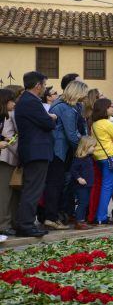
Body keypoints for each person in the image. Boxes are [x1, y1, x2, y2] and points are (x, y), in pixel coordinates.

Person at [14, 71, 57, 237]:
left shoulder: (27, 101)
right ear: (38, 85)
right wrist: (51, 117)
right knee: (33, 189)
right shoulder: (30, 101)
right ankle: (25, 225)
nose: (44, 88)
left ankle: (25, 223)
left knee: (32, 189)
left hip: (34, 150)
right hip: (36, 151)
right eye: (44, 85)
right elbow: (47, 123)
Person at [44, 80, 89, 229]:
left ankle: (52, 216)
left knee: (55, 185)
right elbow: (71, 134)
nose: (85, 96)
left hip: (56, 150)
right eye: (83, 93)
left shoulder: (60, 104)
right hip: (60, 151)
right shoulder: (67, 109)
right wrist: (83, 148)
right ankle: (51, 218)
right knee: (55, 185)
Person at [92, 98, 113, 225]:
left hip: (100, 157)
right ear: (104, 109)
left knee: (110, 186)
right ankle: (101, 216)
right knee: (107, 187)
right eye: (110, 106)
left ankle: (100, 214)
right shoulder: (106, 123)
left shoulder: (94, 124)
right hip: (111, 157)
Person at [0, 88, 20, 236]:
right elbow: (8, 137)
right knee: (5, 193)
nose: (14, 103)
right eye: (12, 100)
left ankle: (10, 221)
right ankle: (4, 223)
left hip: (9, 157)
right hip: (6, 157)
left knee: (11, 192)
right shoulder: (6, 116)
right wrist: (19, 153)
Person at [70, 136, 96, 230]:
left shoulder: (88, 158)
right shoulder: (79, 159)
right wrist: (79, 178)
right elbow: (73, 170)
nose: (94, 148)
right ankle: (79, 221)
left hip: (88, 184)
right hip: (81, 186)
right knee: (82, 202)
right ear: (86, 146)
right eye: (93, 146)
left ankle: (82, 220)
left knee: (85, 202)